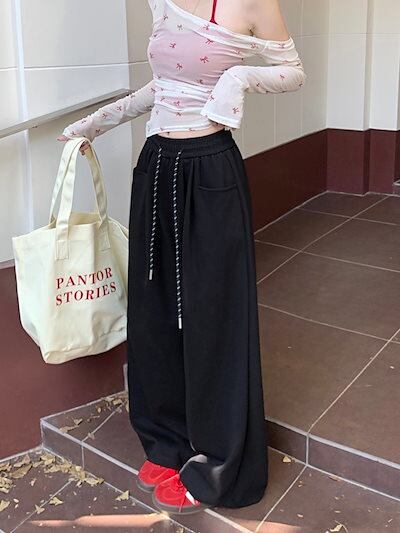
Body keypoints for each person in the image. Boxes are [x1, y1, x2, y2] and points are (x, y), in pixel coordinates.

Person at [58, 0, 306, 515]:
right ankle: (167, 439)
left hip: (210, 169)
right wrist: (93, 124)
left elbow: (292, 71)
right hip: (157, 164)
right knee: (153, 311)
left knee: (213, 317)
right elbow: (161, 86)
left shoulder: (252, 3)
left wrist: (238, 78)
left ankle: (220, 464)